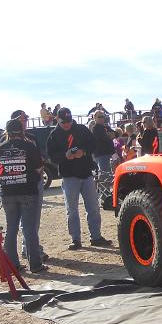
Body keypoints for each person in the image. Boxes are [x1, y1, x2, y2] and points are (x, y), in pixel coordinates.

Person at [46, 107, 112, 250]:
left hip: (86, 173)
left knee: (93, 207)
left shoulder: (81, 129)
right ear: (58, 120)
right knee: (72, 210)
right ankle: (75, 239)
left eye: (69, 121)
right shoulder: (54, 135)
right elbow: (51, 157)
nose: (67, 124)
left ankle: (96, 236)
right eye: (64, 122)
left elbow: (93, 144)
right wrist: (65, 155)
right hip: (69, 176)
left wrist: (84, 151)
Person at [0, 118, 47, 274]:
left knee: (11, 228)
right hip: (28, 191)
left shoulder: (0, 148)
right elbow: (39, 168)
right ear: (22, 131)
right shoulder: (29, 145)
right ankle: (35, 265)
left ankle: (13, 265)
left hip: (8, 192)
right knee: (29, 229)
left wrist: (8, 175)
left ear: (7, 132)